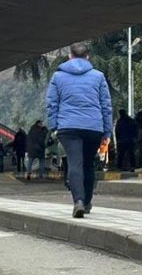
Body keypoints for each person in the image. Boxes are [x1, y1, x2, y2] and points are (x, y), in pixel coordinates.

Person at [46, 42, 113, 218]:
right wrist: (107, 131)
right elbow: (106, 106)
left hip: (68, 127)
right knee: (88, 164)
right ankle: (87, 202)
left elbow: (52, 104)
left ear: (70, 56)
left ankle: (78, 201)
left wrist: (54, 126)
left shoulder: (58, 77)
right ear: (87, 57)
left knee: (74, 163)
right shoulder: (98, 76)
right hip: (93, 127)